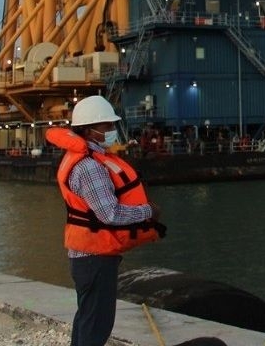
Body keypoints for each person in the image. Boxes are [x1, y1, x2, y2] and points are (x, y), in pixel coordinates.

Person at [46, 95, 165, 346]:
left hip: (86, 254)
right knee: (97, 324)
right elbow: (109, 214)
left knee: (87, 318)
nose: (112, 130)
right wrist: (147, 213)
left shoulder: (78, 157)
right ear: (90, 130)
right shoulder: (90, 166)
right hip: (95, 257)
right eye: (107, 126)